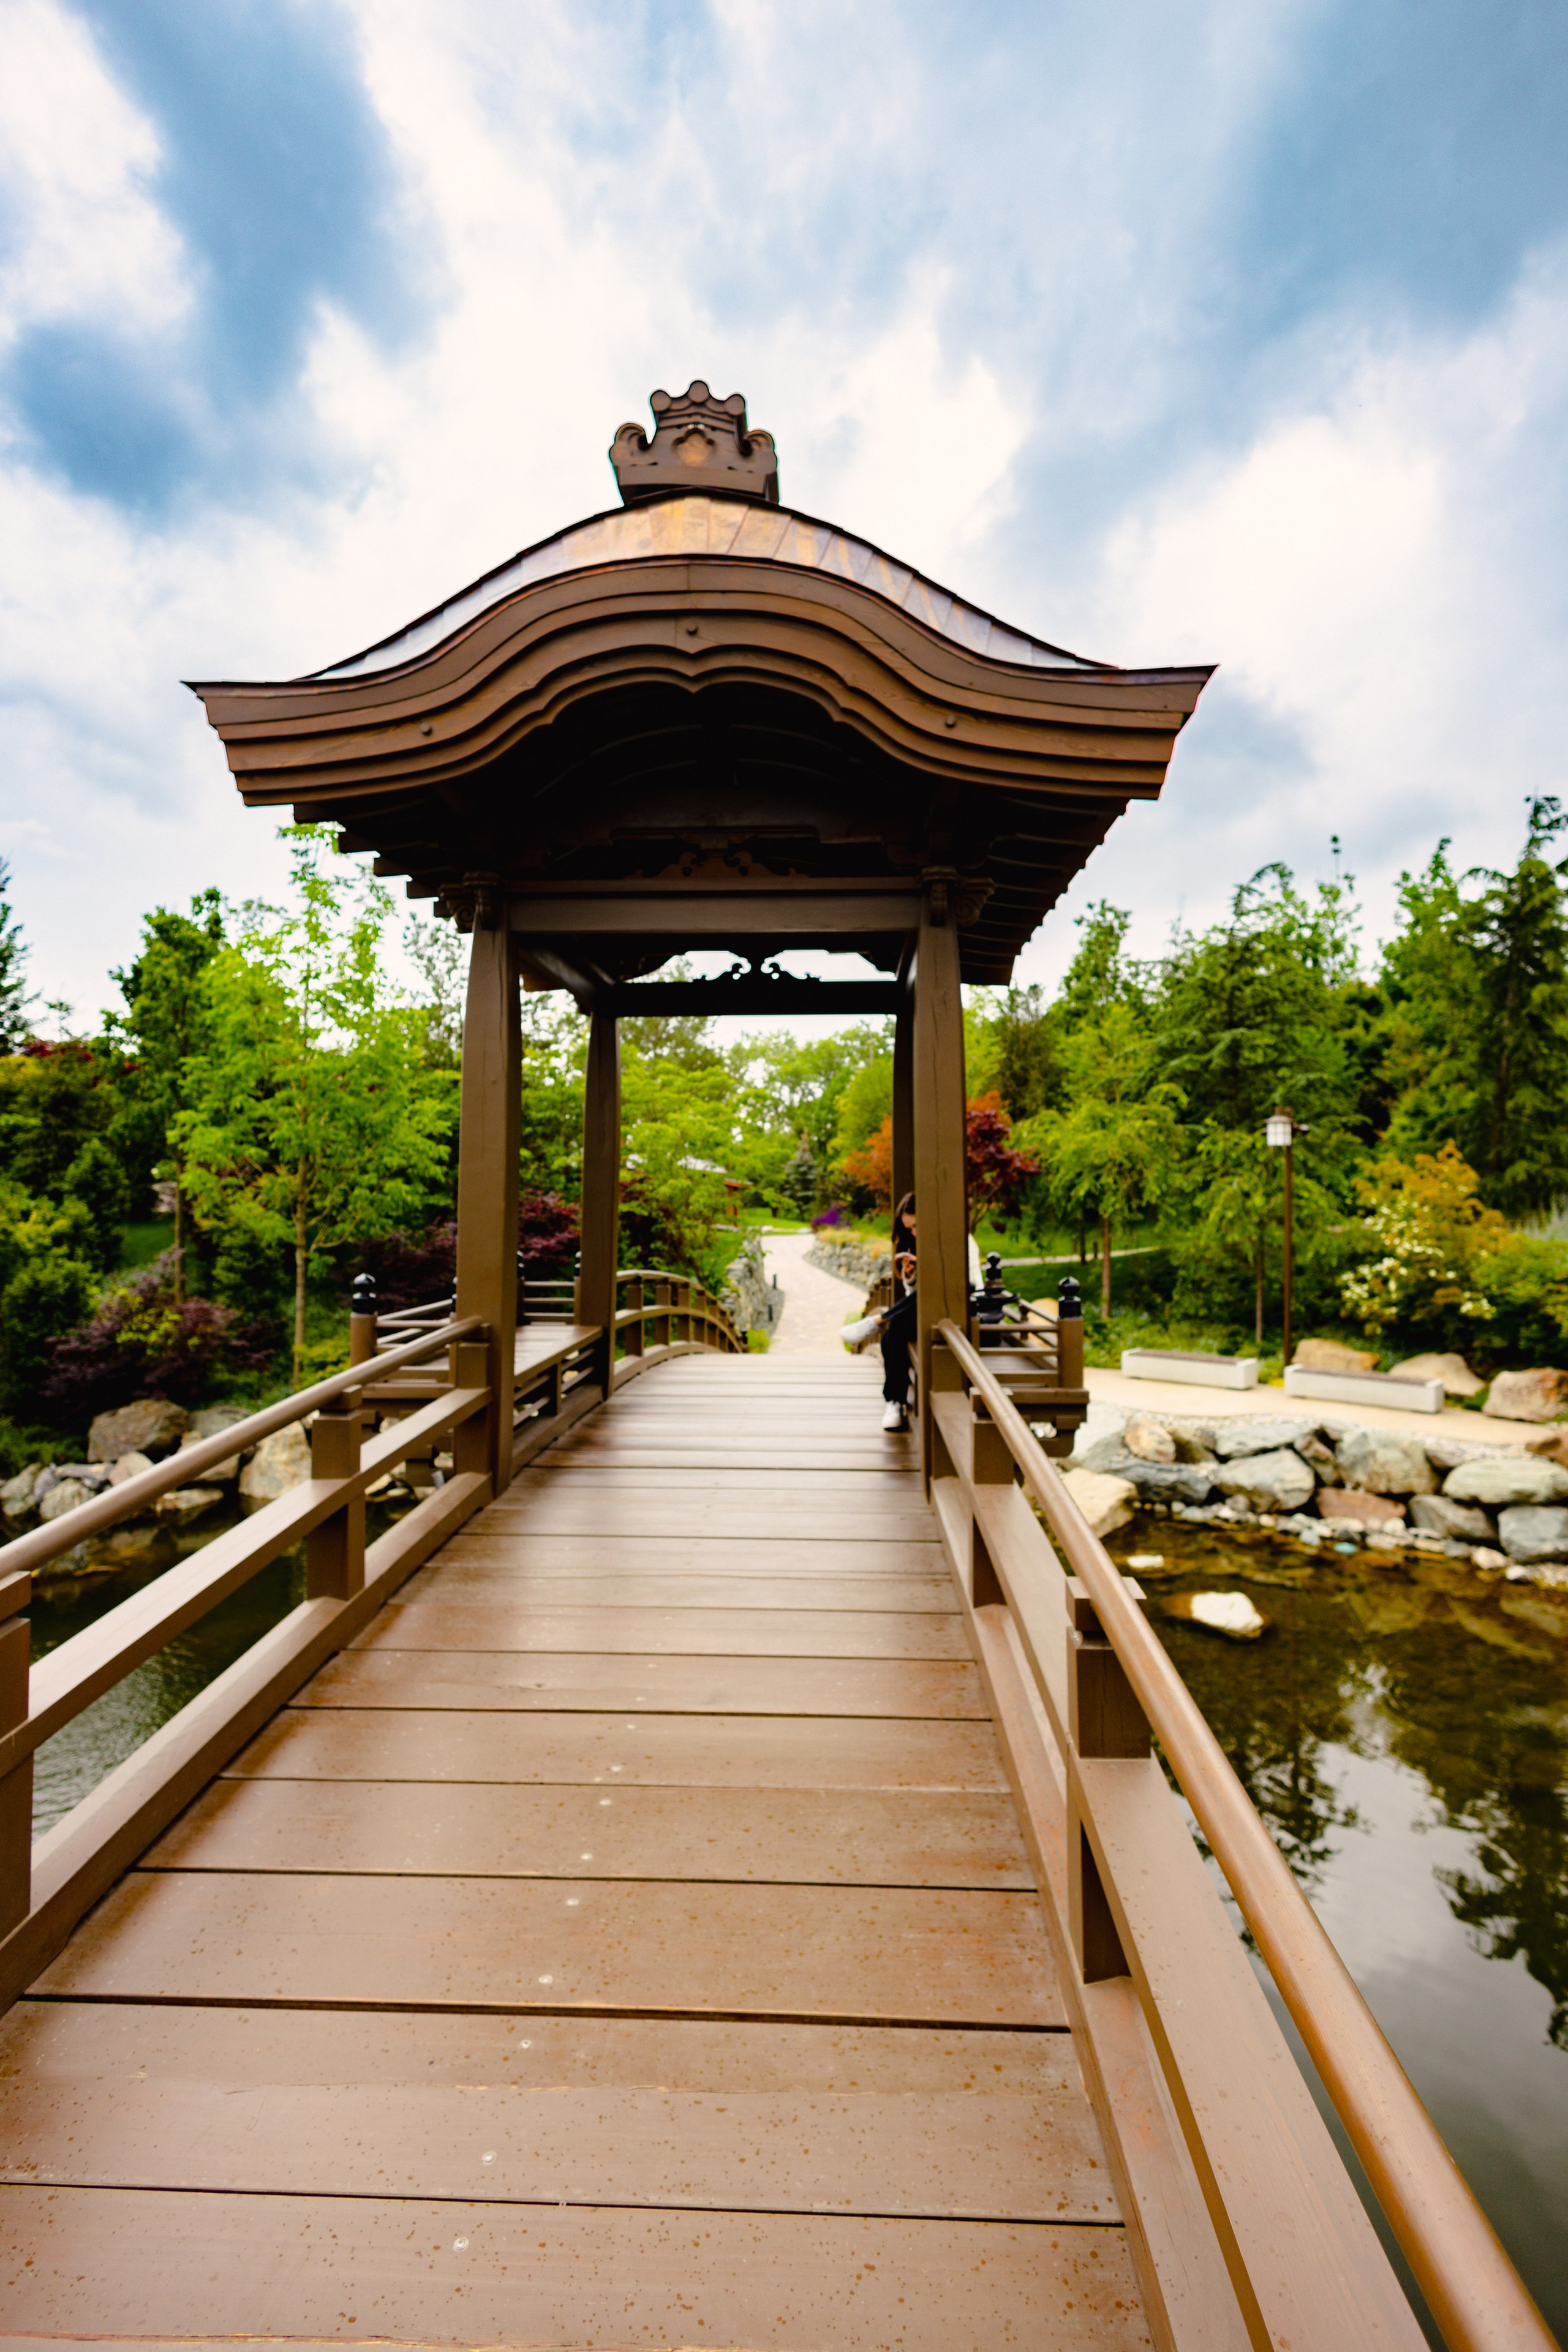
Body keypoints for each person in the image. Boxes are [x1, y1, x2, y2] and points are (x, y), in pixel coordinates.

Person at [842, 1194, 918, 1431]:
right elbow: (913, 1292)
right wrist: (912, 1274)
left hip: (960, 1309)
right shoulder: (914, 1243)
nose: (913, 1233)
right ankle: (894, 1402)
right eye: (909, 1228)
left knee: (892, 1333)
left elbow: (963, 1286)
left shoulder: (958, 1240)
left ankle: (878, 1320)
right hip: (920, 1308)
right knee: (892, 1337)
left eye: (917, 1226)